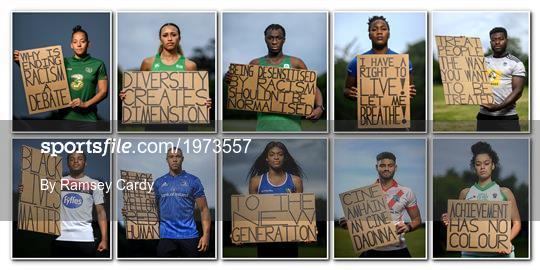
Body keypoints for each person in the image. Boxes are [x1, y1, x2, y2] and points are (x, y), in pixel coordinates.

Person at [225, 24, 325, 131]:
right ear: (265, 39)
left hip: (293, 129)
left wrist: (319, 107)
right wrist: (232, 81)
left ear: (284, 40)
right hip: (263, 129)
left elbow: (313, 87)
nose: (274, 41)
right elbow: (244, 92)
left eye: (278, 38)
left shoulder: (296, 63)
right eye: (270, 38)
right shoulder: (255, 64)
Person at [13, 25, 109, 131]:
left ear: (88, 44)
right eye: (75, 42)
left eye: (82, 41)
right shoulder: (62, 62)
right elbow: (40, 74)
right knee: (69, 148)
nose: (79, 44)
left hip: (89, 120)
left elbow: (103, 92)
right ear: (71, 45)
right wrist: (22, 62)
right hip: (65, 119)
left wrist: (86, 104)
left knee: (87, 148)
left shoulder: (98, 64)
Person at [119, 23, 212, 131]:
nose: (170, 38)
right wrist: (128, 96)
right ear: (160, 39)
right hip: (153, 124)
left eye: (173, 35)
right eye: (165, 35)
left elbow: (196, 97)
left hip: (179, 124)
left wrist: (204, 102)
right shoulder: (148, 63)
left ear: (179, 38)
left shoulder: (189, 65)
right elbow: (140, 94)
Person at [124, 147, 211, 257]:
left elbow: (204, 209)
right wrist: (131, 211)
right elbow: (149, 210)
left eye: (178, 156)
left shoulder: (193, 181)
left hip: (189, 235)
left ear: (182, 159)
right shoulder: (159, 183)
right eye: (171, 157)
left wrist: (206, 235)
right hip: (165, 236)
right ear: (167, 160)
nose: (174, 159)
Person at [19, 152, 109, 257]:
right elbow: (39, 196)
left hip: (85, 239)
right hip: (60, 239)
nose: (76, 161)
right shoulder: (57, 182)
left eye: (79, 158)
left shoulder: (95, 184)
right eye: (72, 159)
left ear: (85, 163)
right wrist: (25, 190)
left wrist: (104, 239)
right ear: (68, 163)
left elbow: (101, 212)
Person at [441, 142, 521, 258]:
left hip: (501, 254)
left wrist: (506, 240)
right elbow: (458, 226)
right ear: (474, 167)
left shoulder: (505, 193)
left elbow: (517, 223)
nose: (482, 167)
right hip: (470, 255)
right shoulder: (465, 193)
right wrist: (450, 221)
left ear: (493, 165)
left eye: (486, 163)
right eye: (478, 164)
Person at [339, 152, 422, 258]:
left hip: (398, 250)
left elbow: (417, 220)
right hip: (371, 250)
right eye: (382, 165)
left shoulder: (406, 192)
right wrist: (348, 223)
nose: (386, 168)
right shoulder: (365, 194)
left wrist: (408, 227)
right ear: (376, 167)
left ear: (395, 167)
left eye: (390, 165)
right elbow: (359, 222)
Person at [342, 16, 416, 130]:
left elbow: (409, 93)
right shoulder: (357, 62)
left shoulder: (403, 62)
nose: (379, 32)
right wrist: (351, 94)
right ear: (369, 35)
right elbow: (346, 90)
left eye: (383, 28)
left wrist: (410, 93)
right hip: (368, 123)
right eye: (374, 29)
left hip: (397, 123)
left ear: (389, 34)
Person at [246, 141, 306, 257]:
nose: (276, 157)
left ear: (285, 157)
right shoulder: (256, 182)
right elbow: (252, 213)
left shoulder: (296, 181)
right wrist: (241, 233)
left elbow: (300, 212)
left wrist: (308, 231)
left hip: (289, 239)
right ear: (267, 158)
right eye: (272, 154)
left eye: (280, 154)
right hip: (265, 240)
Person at [478, 27, 526, 131]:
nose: (497, 42)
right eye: (494, 40)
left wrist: (497, 107)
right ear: (490, 42)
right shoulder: (483, 61)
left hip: (508, 118)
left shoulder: (516, 63)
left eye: (500, 39)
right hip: (484, 116)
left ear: (506, 40)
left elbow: (518, 91)